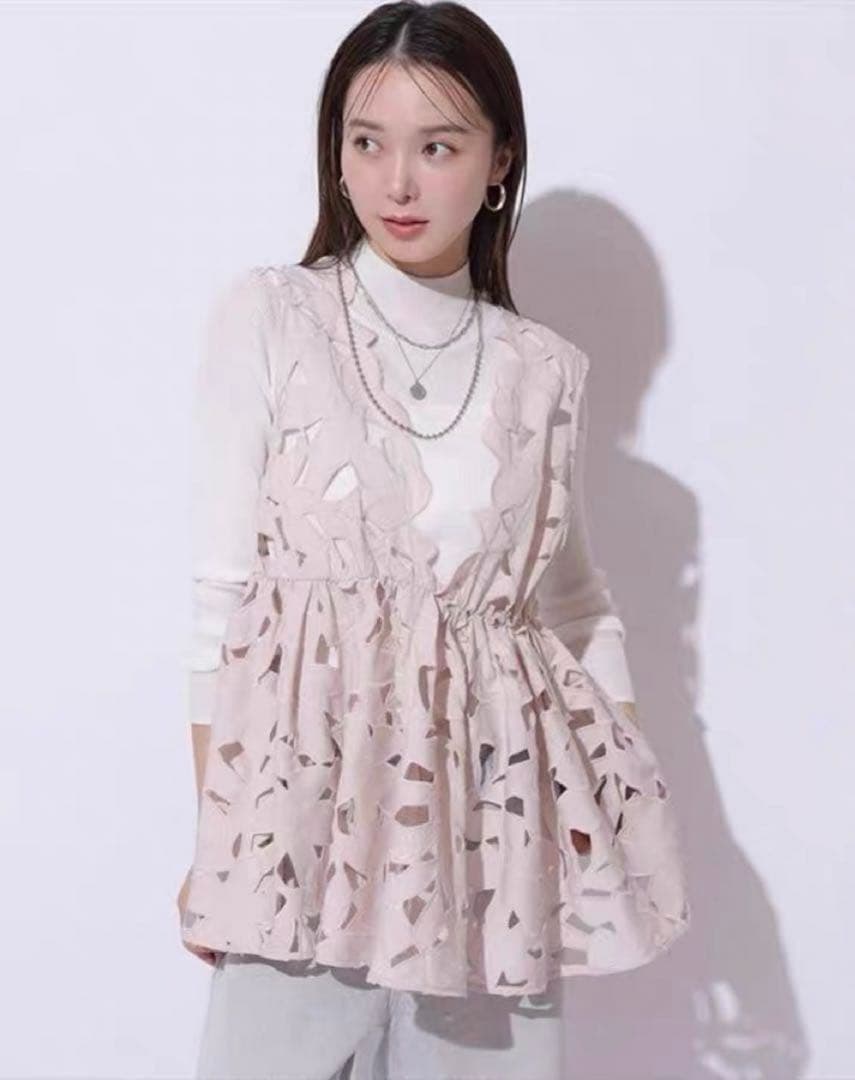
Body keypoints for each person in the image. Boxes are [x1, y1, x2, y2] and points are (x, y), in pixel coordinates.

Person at [177, 2, 691, 1077]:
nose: (396, 183)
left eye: (438, 147)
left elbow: (575, 607)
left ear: (499, 161)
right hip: (303, 831)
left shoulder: (542, 371)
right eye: (367, 142)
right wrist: (222, 844)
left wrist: (620, 814)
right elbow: (221, 599)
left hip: (493, 846)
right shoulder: (272, 318)